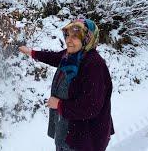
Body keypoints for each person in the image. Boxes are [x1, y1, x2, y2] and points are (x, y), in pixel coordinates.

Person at [19, 19, 114, 151]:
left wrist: (59, 105)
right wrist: (32, 53)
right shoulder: (71, 56)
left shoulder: (94, 64)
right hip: (68, 130)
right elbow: (54, 57)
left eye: (75, 36)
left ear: (87, 38)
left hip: (84, 139)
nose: (68, 40)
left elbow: (91, 106)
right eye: (67, 35)